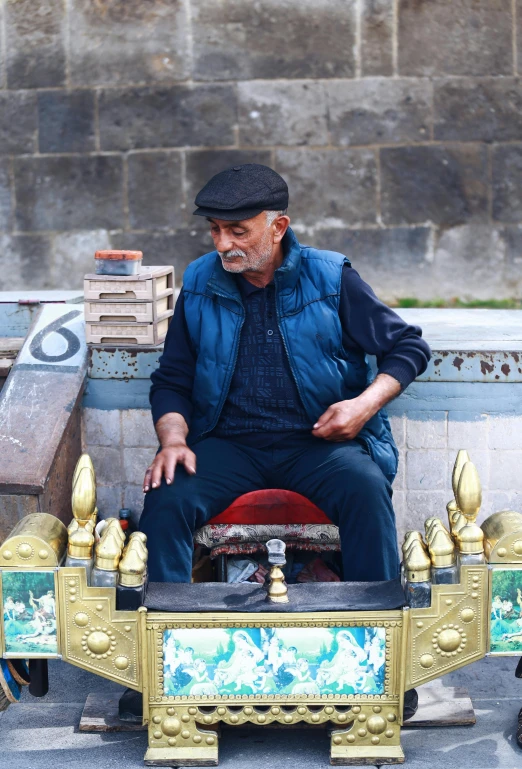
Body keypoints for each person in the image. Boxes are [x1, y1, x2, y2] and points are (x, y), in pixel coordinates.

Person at [139, 163, 431, 586]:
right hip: (227, 444)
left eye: (238, 231)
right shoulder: (201, 281)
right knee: (167, 495)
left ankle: (375, 624)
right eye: (215, 230)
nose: (223, 244)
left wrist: (362, 407)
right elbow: (172, 379)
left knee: (365, 490)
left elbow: (408, 346)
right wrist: (173, 442)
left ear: (278, 227)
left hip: (316, 444)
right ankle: (168, 632)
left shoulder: (330, 277)